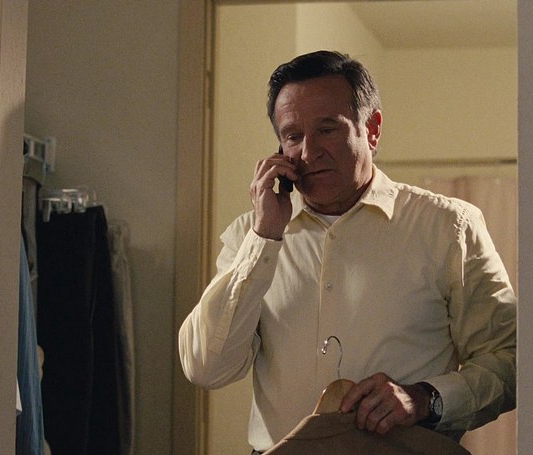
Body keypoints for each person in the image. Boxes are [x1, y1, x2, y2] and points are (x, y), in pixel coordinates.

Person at [178, 50, 516, 454]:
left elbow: (509, 359)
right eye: (293, 136)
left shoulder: (448, 227)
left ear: (371, 129)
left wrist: (426, 398)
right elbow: (206, 368)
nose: (308, 153)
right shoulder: (248, 236)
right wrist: (263, 238)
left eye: (327, 130)